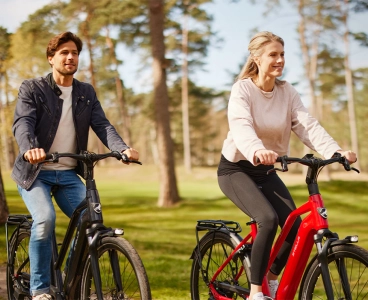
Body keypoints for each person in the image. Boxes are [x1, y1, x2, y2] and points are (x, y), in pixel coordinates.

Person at [217, 31, 357, 300]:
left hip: (267, 170)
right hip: (236, 168)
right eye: (273, 55)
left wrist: (335, 151)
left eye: (282, 54)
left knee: (294, 227)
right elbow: (242, 125)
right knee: (267, 219)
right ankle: (256, 293)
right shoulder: (242, 89)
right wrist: (257, 149)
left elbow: (308, 126)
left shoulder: (287, 91)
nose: (280, 60)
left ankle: (269, 280)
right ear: (256, 59)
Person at [11, 31, 138, 300]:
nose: (71, 57)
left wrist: (122, 148)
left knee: (89, 222)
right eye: (64, 53)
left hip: (68, 174)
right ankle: (40, 289)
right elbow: (23, 123)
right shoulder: (32, 88)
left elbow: (102, 125)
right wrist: (30, 149)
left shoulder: (85, 92)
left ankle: (71, 279)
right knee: (45, 220)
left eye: (75, 53)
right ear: (51, 58)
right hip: (36, 174)